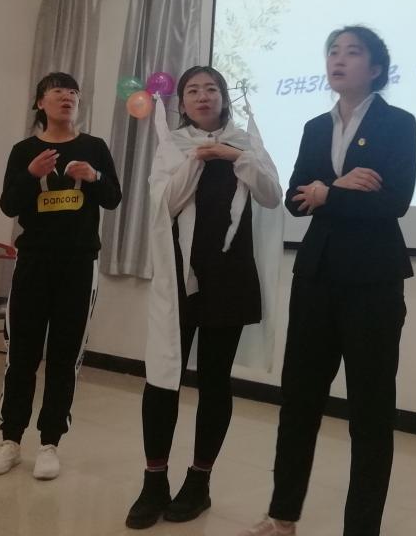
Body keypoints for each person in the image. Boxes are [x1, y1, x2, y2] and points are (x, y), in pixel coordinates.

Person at [240, 26, 416, 536]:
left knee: (370, 411)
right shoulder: (316, 126)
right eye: (333, 52)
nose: (338, 60)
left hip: (373, 282)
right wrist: (337, 187)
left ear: (376, 68)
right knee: (299, 401)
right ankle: (282, 516)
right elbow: (297, 200)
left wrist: (327, 194)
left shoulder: (398, 123)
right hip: (316, 276)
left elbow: (393, 201)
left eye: (352, 52)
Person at [126, 66, 283, 529]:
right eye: (193, 90)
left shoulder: (245, 142)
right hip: (179, 281)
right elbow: (165, 204)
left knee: (215, 381)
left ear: (224, 97)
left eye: (211, 88)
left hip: (230, 279)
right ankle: (154, 482)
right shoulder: (173, 145)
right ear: (182, 102)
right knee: (162, 378)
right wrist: (197, 158)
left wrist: (234, 156)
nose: (202, 95)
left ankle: (199, 482)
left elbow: (272, 195)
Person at [0, 72, 121, 481]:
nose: (68, 97)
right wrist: (30, 173)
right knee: (21, 353)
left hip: (79, 262)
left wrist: (95, 177)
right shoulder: (24, 150)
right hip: (34, 260)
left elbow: (113, 197)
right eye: (58, 91)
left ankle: (50, 443)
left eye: (73, 92)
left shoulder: (94, 147)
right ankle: (10, 440)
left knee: (64, 355)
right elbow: (9, 206)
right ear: (40, 102)